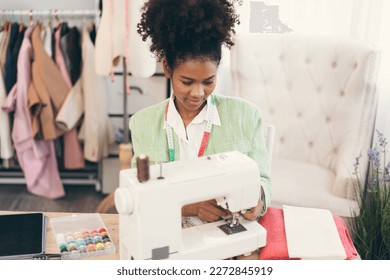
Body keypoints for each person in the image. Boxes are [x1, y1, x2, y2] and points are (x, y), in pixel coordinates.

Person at [129, 0, 271, 223]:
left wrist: (259, 200)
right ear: (167, 68)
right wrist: (191, 207)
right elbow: (142, 192)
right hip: (168, 232)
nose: (197, 93)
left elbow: (263, 179)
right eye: (186, 82)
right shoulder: (142, 124)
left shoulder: (246, 116)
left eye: (208, 81)